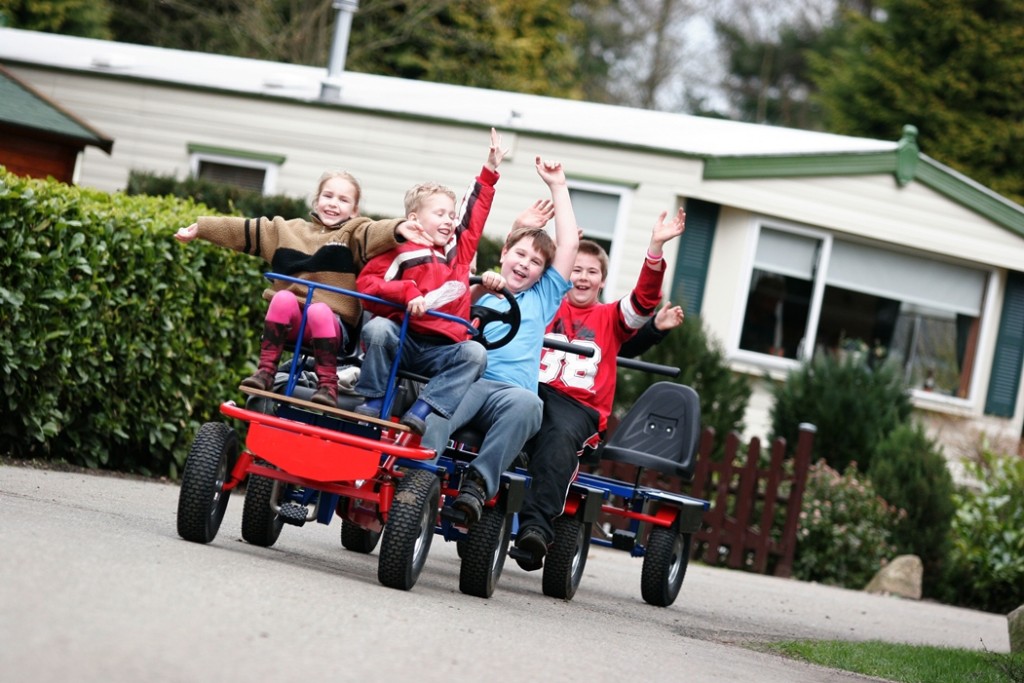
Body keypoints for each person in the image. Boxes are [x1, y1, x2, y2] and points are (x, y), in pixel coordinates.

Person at [512, 208, 687, 570]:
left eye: (591, 272)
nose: (582, 277)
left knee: (558, 436)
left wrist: (655, 248)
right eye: (575, 269)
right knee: (506, 408)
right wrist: (528, 230)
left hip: (578, 409)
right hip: (532, 390)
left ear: (602, 281)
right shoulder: (545, 302)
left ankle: (534, 530)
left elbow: (642, 301)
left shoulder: (610, 317)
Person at [174, 171, 430, 406]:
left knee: (319, 311)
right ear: (316, 200)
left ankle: (327, 385)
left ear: (354, 210)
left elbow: (373, 232)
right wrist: (202, 228)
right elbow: (246, 230)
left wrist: (397, 228)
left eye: (343, 200)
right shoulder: (288, 230)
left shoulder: (353, 233)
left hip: (334, 326)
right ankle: (265, 371)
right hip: (293, 321)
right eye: (328, 196)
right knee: (283, 298)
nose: (333, 203)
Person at [420, 158, 579, 526]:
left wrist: (558, 185)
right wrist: (481, 281)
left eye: (536, 261)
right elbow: (457, 279)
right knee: (433, 407)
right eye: (520, 254)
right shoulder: (476, 289)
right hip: (468, 383)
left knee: (529, 405)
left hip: (510, 392)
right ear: (504, 255)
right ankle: (418, 477)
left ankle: (477, 484)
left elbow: (568, 243)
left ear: (543, 273)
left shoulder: (542, 297)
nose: (525, 264)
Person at [352, 129, 508, 434]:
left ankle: (422, 409)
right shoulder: (399, 249)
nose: (450, 220)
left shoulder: (459, 249)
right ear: (414, 218)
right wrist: (407, 294)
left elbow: (474, 213)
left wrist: (489, 172)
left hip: (443, 347)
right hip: (405, 337)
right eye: (440, 214)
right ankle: (372, 399)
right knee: (377, 328)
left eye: (451, 214)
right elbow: (367, 285)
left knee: (475, 354)